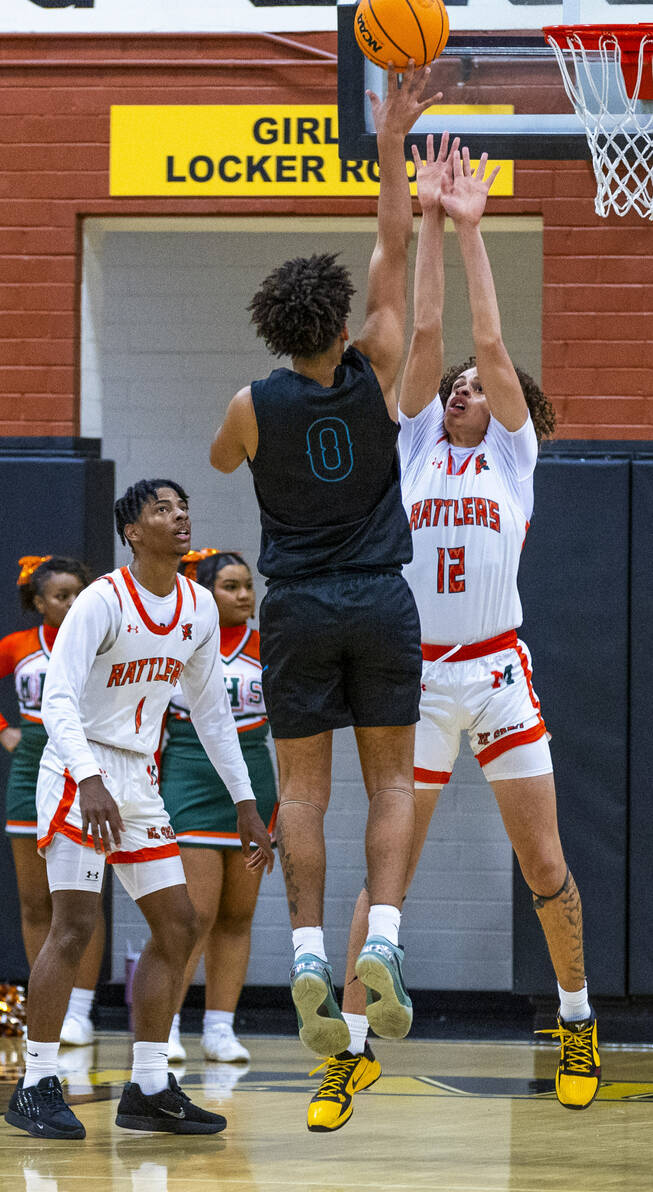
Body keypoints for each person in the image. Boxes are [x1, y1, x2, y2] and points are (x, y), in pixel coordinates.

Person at [307, 136, 599, 1131]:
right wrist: (429, 219)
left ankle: (573, 1018)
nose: (463, 387)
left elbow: (480, 333)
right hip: (417, 681)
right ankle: (348, 1052)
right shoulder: (417, 445)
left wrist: (478, 236)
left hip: (498, 675)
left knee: (542, 864)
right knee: (384, 868)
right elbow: (427, 331)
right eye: (457, 386)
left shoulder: (513, 457)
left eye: (478, 384)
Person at [210, 63, 442, 1060]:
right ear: (341, 326)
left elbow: (220, 459)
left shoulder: (249, 406)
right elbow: (391, 243)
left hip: (295, 607)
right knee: (392, 787)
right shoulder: (379, 362)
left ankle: (306, 954)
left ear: (271, 329)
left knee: (301, 794)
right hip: (381, 599)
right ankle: (379, 940)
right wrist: (391, 137)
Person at [4, 479, 274, 1141]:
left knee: (179, 925)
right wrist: (88, 778)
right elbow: (59, 701)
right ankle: (36, 1084)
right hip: (77, 768)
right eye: (163, 509)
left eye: (184, 509)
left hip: (138, 775)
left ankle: (150, 1087)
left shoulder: (198, 607)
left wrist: (245, 802)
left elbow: (211, 712)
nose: (179, 518)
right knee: (73, 924)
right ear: (132, 531)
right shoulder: (102, 601)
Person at [161, 549, 278, 1065]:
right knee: (195, 912)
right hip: (188, 776)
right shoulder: (178, 647)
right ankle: (164, 1023)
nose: (245, 594)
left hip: (254, 778)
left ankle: (219, 1028)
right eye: (230, 586)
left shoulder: (270, 649)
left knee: (237, 914)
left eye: (248, 585)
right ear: (204, 593)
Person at [0, 555, 105, 1047]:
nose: (71, 603)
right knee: (34, 900)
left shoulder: (102, 643)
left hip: (84, 768)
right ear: (39, 602)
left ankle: (80, 1010)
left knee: (81, 898)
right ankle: (49, 1008)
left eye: (78, 593)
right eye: (61, 595)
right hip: (30, 773)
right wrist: (5, 732)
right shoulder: (19, 646)